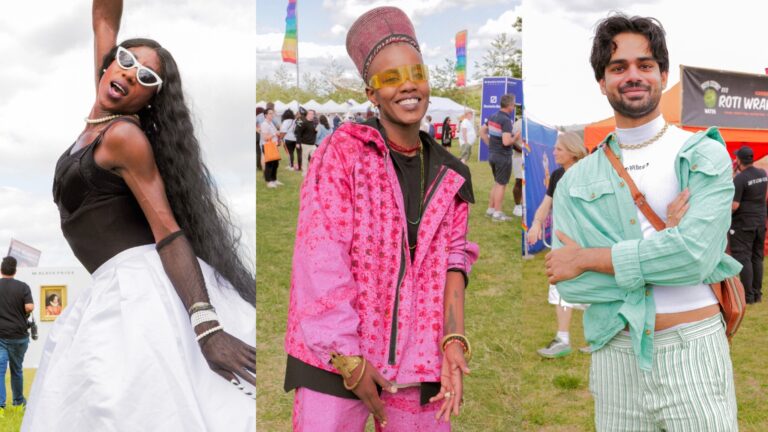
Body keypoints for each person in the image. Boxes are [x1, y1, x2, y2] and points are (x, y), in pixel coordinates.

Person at [22, 1, 256, 430]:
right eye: (126, 62)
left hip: (137, 290)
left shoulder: (123, 135)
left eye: (146, 77)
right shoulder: (102, 115)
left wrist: (208, 330)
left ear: (150, 98)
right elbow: (105, 20)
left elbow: (167, 231)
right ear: (108, 66)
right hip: (108, 287)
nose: (130, 75)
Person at [284, 6, 478, 431]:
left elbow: (455, 260)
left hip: (419, 360)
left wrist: (453, 340)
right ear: (371, 93)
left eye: (416, 72)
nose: (407, 84)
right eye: (390, 78)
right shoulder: (343, 153)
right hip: (336, 362)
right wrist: (345, 355)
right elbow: (321, 254)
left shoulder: (452, 174)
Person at [546, 14, 741, 431]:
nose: (632, 75)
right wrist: (668, 244)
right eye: (619, 67)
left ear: (662, 74)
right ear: (602, 81)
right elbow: (571, 282)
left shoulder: (702, 154)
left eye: (644, 65)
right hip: (614, 354)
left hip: (694, 350)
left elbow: (695, 258)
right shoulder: (577, 179)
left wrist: (591, 256)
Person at [526, 133, 588, 358]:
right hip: (561, 242)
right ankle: (562, 339)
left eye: (558, 149)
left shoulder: (587, 174)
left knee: (593, 287)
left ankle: (599, 337)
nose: (554, 152)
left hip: (586, 242)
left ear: (572, 151)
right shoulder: (557, 175)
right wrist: (536, 224)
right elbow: (546, 203)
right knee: (559, 287)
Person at [730, 145, 768, 303]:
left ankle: (748, 296)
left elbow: (734, 205)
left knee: (743, 258)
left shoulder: (741, 178)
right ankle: (757, 294)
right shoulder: (763, 174)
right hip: (760, 222)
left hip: (743, 224)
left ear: (738, 160)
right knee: (756, 257)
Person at [0, 256, 33, 409]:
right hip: (19, 336)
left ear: (1, 270)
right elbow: (29, 307)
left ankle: (0, 403)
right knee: (17, 370)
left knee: (0, 371)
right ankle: (18, 401)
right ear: (15, 271)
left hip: (0, 336)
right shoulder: (23, 287)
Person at [480, 94, 516, 222]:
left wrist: (489, 143)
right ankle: (498, 213)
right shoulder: (506, 120)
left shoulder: (492, 116)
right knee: (501, 184)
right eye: (514, 104)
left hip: (493, 154)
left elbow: (482, 131)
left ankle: (490, 209)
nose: (514, 107)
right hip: (503, 156)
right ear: (510, 105)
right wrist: (516, 137)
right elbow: (506, 142)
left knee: (497, 183)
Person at [260, 108, 282, 188]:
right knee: (269, 164)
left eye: (272, 113)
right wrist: (275, 134)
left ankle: (274, 179)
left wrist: (277, 135)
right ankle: (268, 181)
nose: (272, 115)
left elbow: (275, 133)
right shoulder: (264, 124)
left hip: (274, 145)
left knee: (275, 164)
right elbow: (265, 137)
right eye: (270, 113)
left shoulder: (271, 123)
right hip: (268, 146)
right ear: (265, 115)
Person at [295, 108, 317, 176]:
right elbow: (298, 133)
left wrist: (316, 131)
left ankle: (313, 170)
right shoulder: (303, 122)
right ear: (307, 115)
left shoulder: (313, 123)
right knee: (305, 159)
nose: (311, 115)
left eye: (312, 114)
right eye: (310, 114)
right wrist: (298, 142)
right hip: (305, 144)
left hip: (313, 144)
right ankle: (305, 172)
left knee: (315, 157)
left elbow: (313, 132)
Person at [511, 115, 524, 217]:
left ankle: (525, 204)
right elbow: (512, 143)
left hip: (531, 158)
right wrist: (524, 151)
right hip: (519, 157)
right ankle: (517, 206)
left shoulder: (531, 123)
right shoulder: (517, 124)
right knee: (519, 180)